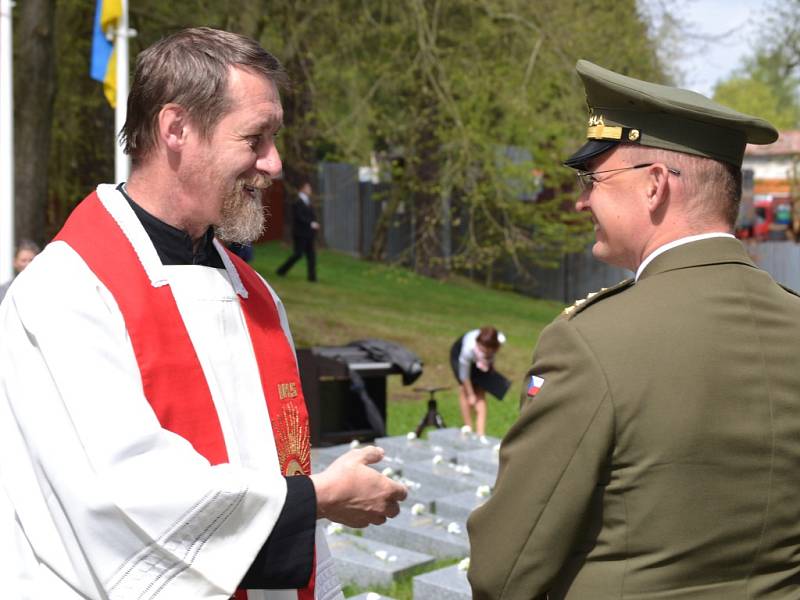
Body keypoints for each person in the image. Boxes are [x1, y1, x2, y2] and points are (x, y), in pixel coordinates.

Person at [0, 28, 406, 600]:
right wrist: (317, 499)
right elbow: (122, 497)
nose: (275, 163)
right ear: (176, 129)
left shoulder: (253, 294)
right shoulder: (66, 292)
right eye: (255, 138)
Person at [467, 60, 800, 599]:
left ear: (653, 187)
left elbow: (502, 572)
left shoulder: (591, 342)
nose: (581, 201)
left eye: (593, 180)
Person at [449, 326, 509, 437]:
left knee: (481, 389)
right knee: (465, 390)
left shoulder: (500, 340)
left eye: (485, 350)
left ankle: (480, 434)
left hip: (481, 359)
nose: (482, 350)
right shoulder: (468, 349)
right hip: (458, 356)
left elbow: (492, 355)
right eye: (480, 348)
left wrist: (490, 364)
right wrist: (471, 395)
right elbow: (464, 375)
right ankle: (469, 430)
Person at [277, 182, 319, 281]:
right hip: (300, 233)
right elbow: (299, 217)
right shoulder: (297, 202)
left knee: (311, 255)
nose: (310, 190)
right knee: (298, 254)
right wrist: (311, 224)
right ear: (302, 188)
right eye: (308, 188)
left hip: (309, 233)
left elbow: (311, 215)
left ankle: (312, 278)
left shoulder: (308, 201)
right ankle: (281, 270)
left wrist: (314, 223)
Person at [0, 239, 40, 303]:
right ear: (15, 262)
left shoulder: (44, 288)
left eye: (31, 260)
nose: (28, 264)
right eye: (23, 260)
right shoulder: (4, 290)